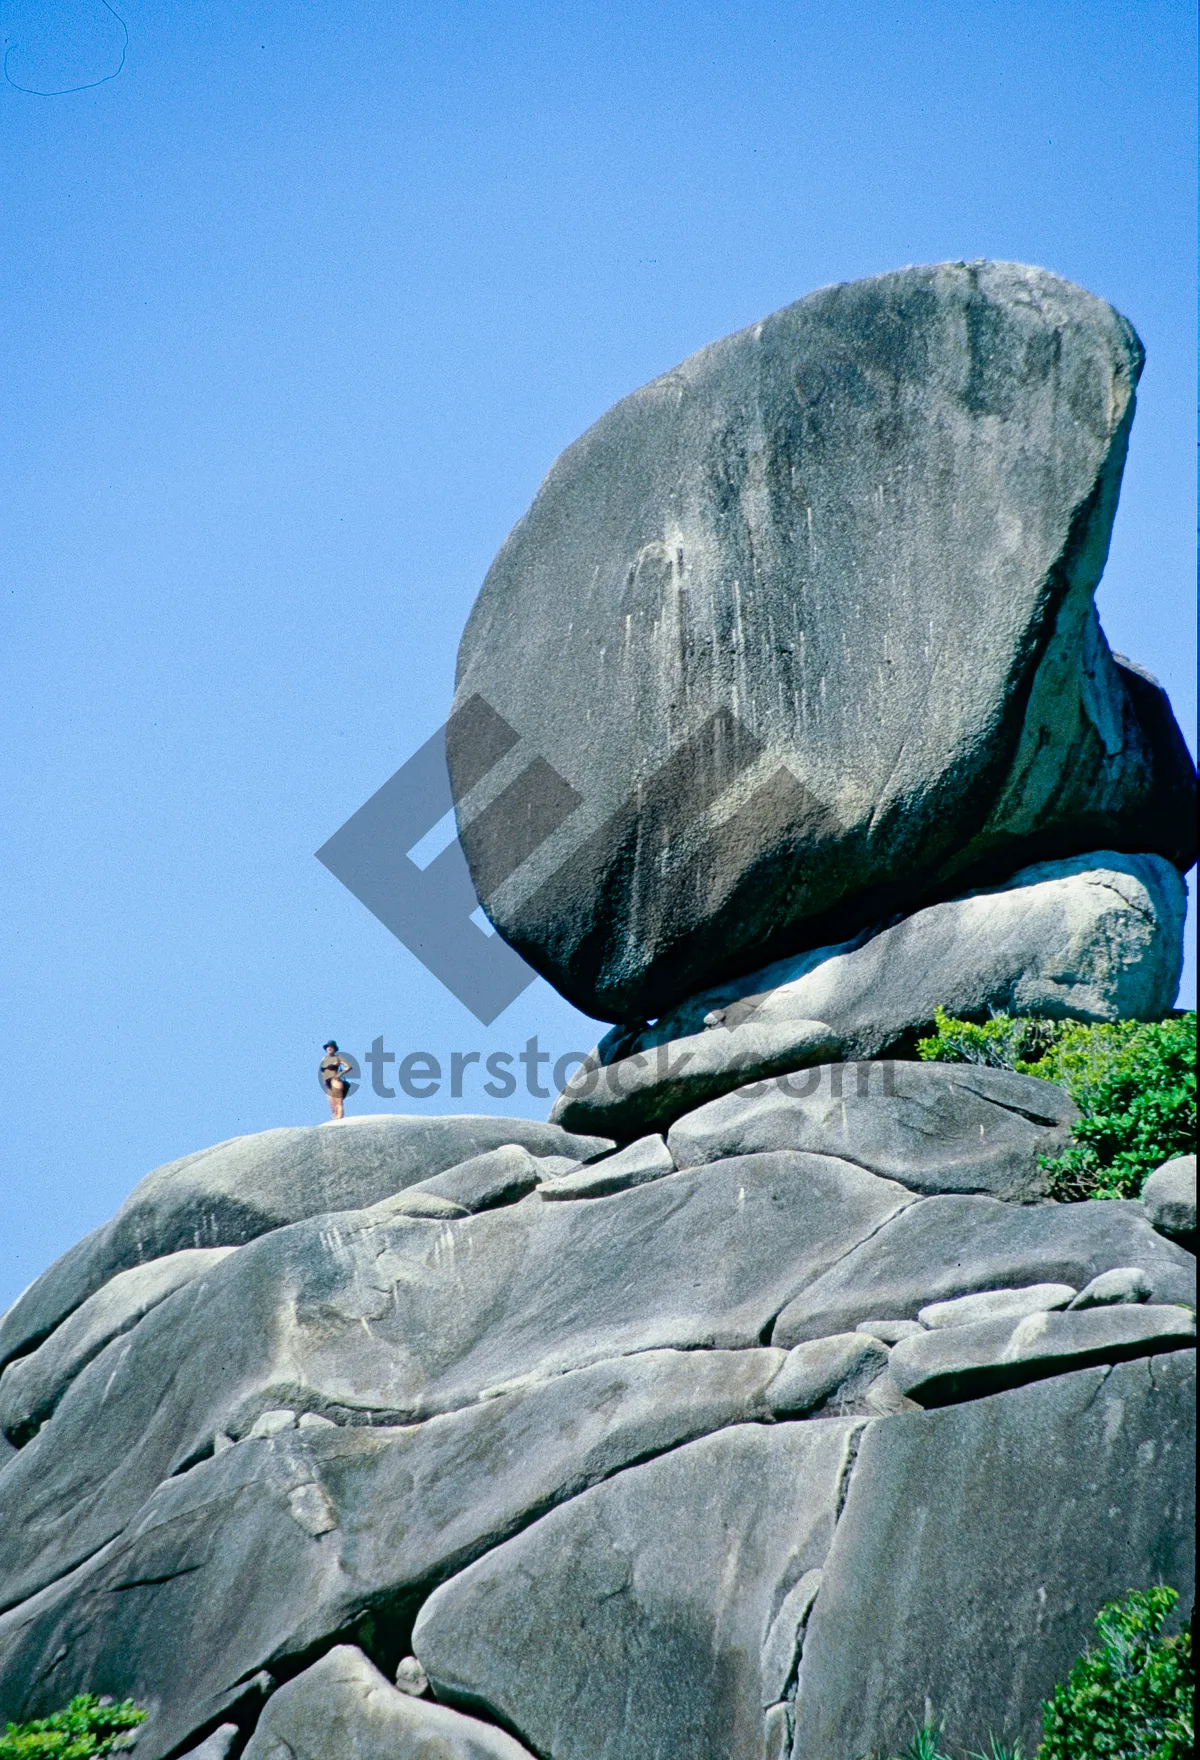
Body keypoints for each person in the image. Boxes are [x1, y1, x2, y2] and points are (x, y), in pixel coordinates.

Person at [319, 1040, 353, 1121]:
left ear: (334, 1049)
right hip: (327, 1084)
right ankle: (335, 1121)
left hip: (335, 1081)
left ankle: (340, 1119)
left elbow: (348, 1067)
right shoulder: (324, 1059)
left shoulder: (337, 1058)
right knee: (333, 1106)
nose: (329, 1048)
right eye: (328, 1047)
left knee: (338, 1103)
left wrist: (339, 1075)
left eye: (331, 1047)